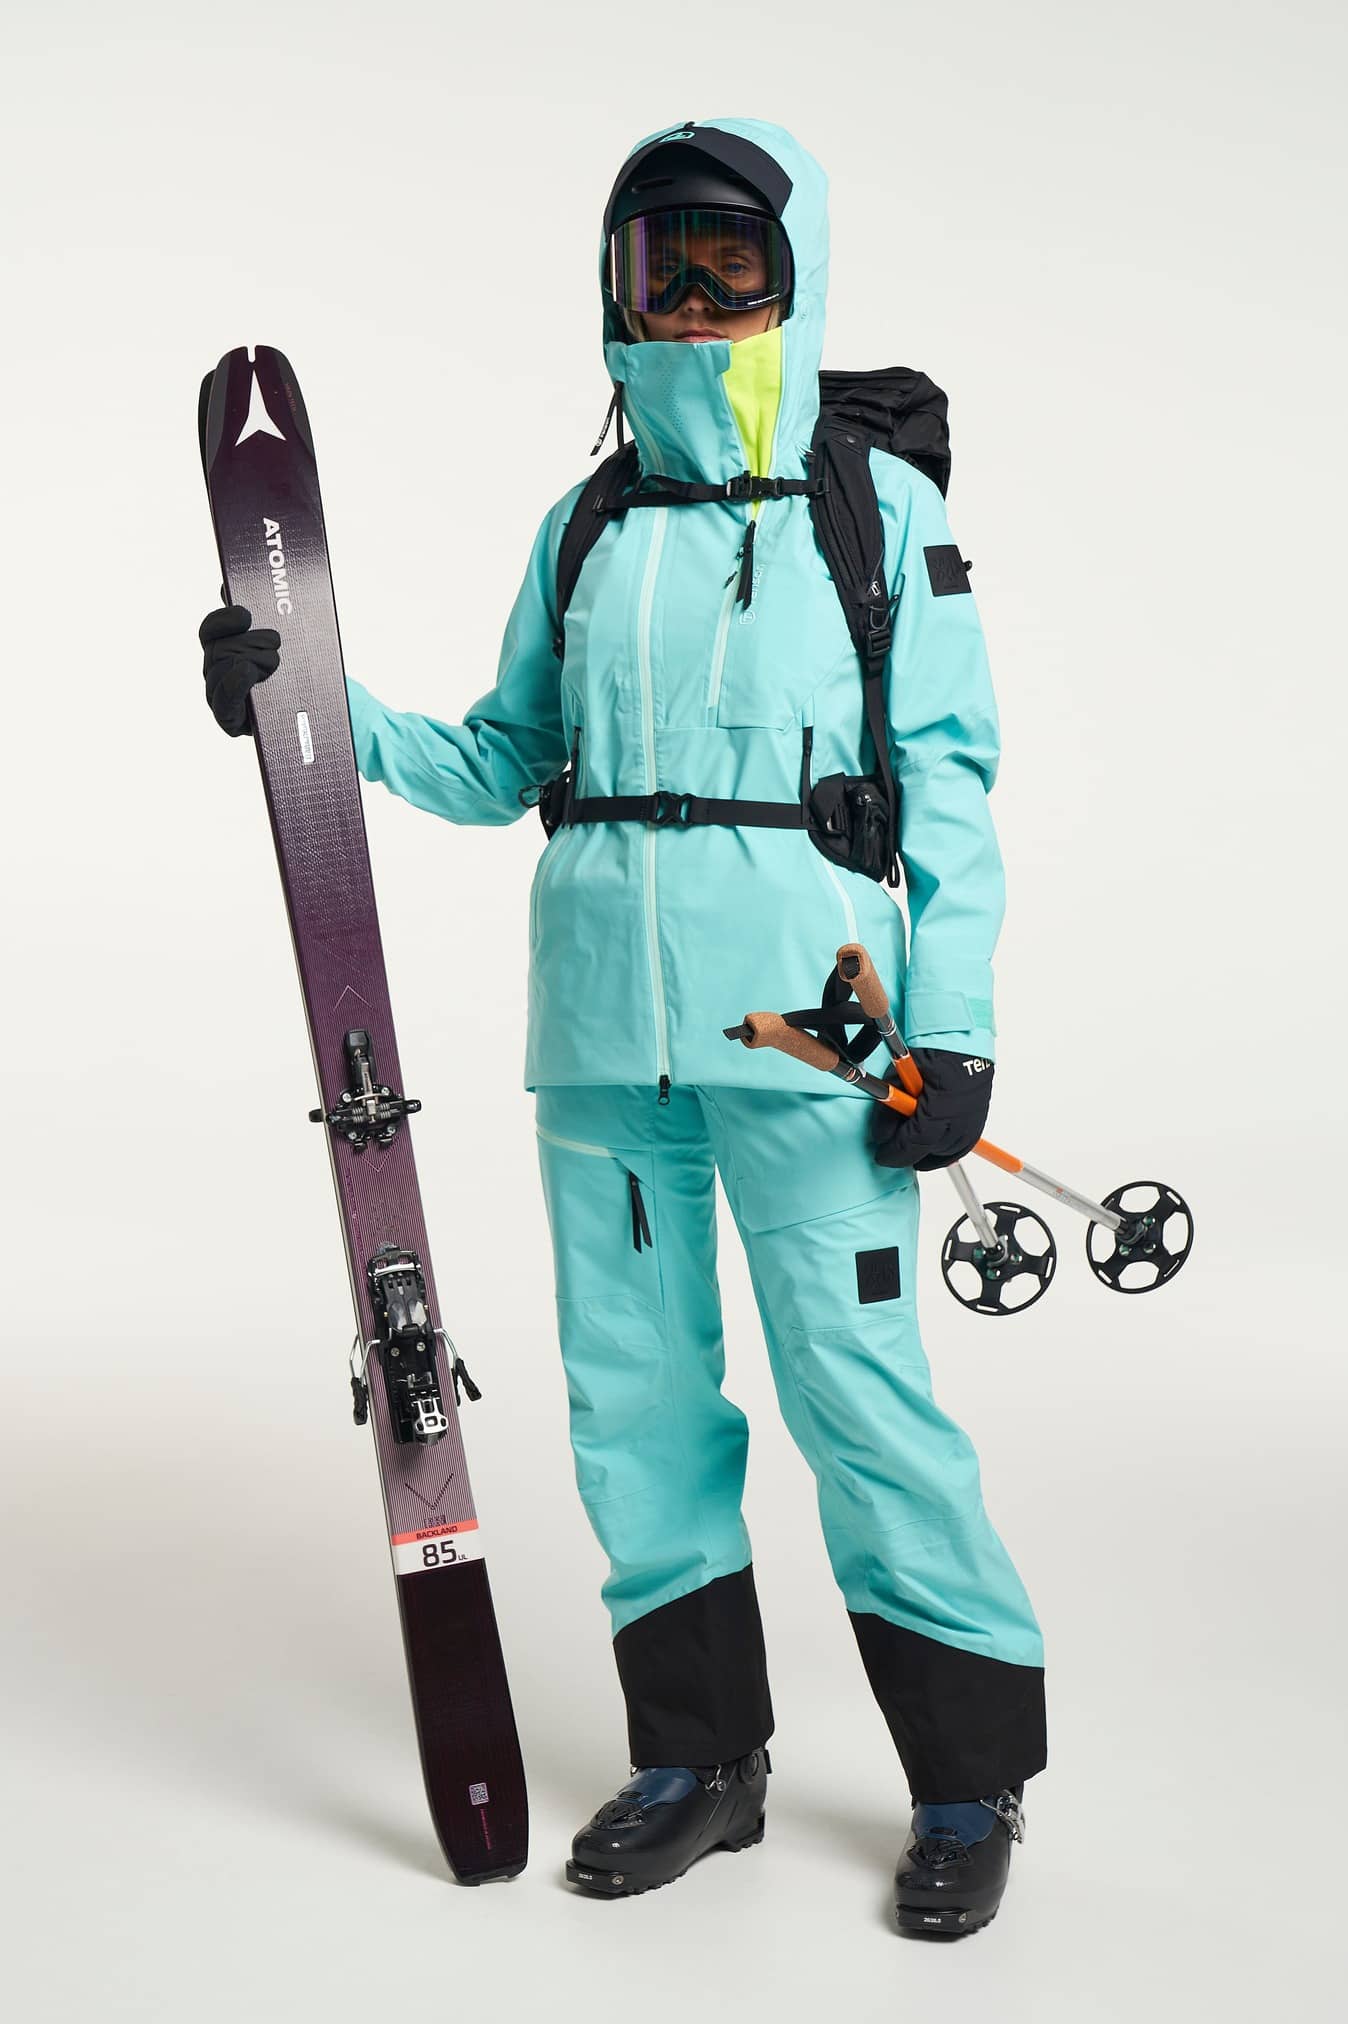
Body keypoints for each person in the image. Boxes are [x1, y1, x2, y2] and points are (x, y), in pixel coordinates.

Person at [200, 117, 1046, 1938]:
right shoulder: (584, 525)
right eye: (658, 263)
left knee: (857, 1398)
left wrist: (958, 1031)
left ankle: (967, 1778)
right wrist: (306, 699)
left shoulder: (876, 517)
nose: (691, 300)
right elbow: (501, 758)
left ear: (794, 278)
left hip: (818, 1040)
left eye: (730, 264)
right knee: (635, 1405)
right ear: (613, 285)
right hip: (598, 1037)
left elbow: (950, 785)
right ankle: (699, 1761)